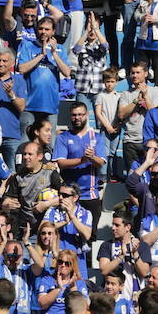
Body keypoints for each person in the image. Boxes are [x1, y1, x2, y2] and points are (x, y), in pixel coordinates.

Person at [54, 101, 105, 240]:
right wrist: (82, 160)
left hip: (90, 195)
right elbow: (61, 163)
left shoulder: (97, 137)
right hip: (68, 196)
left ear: (87, 115)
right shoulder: (63, 137)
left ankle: (86, 262)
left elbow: (101, 163)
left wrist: (91, 157)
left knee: (89, 238)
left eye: (80, 114)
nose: (77, 118)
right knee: (66, 234)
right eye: (74, 115)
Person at [17, 17, 71, 143]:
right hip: (29, 105)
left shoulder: (60, 49)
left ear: (53, 32)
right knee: (26, 144)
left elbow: (67, 72)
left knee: (49, 145)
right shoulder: (28, 46)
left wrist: (54, 53)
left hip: (50, 106)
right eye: (40, 28)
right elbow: (21, 68)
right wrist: (41, 55)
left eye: (47, 29)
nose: (43, 32)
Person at [98, 210, 152, 302]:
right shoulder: (107, 245)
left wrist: (135, 254)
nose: (113, 228)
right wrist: (121, 256)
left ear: (127, 227)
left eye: (117, 225)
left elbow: (144, 273)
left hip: (135, 294)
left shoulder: (142, 246)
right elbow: (104, 270)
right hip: (112, 296)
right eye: (113, 224)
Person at [117, 61, 158, 172]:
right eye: (132, 73)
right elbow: (121, 114)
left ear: (145, 74)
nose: (134, 75)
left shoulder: (156, 91)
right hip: (130, 141)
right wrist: (136, 100)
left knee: (151, 177)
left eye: (138, 72)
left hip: (150, 141)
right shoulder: (126, 94)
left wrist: (145, 97)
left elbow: (156, 114)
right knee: (133, 178)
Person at [36, 248, 89, 314]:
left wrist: (73, 288)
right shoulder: (47, 280)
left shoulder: (79, 283)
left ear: (73, 266)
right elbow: (42, 304)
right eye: (60, 262)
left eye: (67, 263)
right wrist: (59, 288)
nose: (63, 265)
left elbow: (85, 307)